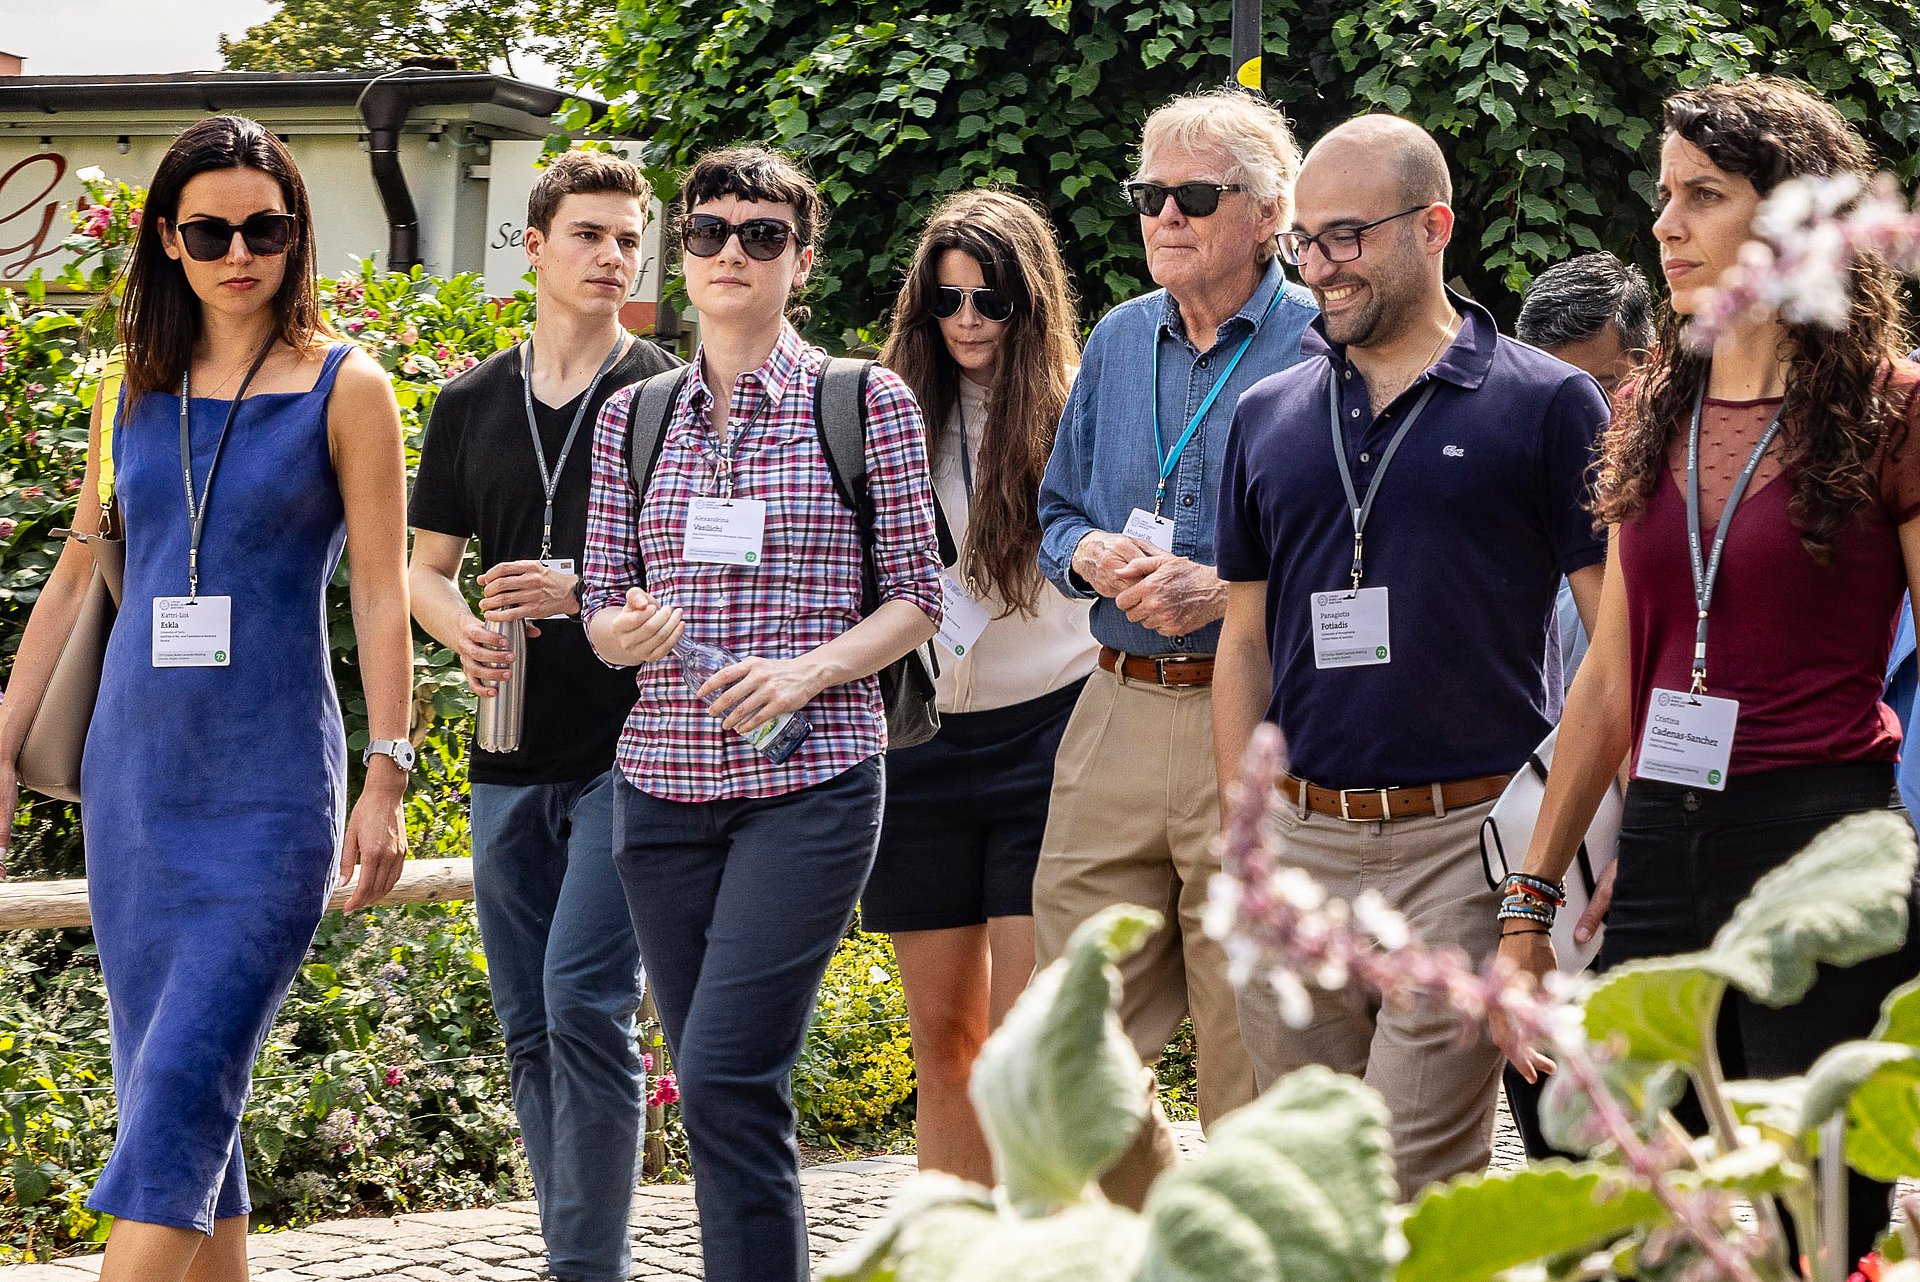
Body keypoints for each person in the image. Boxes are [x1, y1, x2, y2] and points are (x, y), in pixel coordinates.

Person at [1492, 78, 1920, 1262]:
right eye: (1664, 197)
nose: (1666, 226)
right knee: (1610, 1191)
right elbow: (1614, 672)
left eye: (1703, 197)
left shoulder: (1894, 412)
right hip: (1665, 837)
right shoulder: (1646, 405)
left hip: (1823, 848)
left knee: (1816, 1219)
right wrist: (1529, 900)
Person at [0, 115, 411, 1282]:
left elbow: (382, 599)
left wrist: (390, 770)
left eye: (266, 227)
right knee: (180, 1103)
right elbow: (80, 568)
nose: (242, 250)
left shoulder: (348, 386)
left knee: (184, 1087)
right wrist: (2, 742)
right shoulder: (130, 386)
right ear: (169, 243)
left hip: (272, 787)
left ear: (296, 235)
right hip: (139, 782)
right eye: (211, 229)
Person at [1213, 114, 1610, 1199]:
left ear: (1432, 226)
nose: (1320, 266)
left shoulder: (1546, 402)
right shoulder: (1265, 412)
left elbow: (1612, 640)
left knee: (1405, 1175)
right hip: (1301, 835)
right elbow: (1242, 640)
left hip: (1464, 849)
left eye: (1346, 236)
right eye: (1305, 240)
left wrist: (1569, 851)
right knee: (1306, 1180)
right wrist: (1244, 844)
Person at [578, 146, 940, 1282]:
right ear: (683, 252)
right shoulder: (632, 418)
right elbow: (596, 605)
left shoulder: (863, 400)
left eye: (762, 235)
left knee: (729, 1068)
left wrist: (805, 673)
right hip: (661, 788)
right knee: (721, 1086)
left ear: (803, 260)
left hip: (812, 783)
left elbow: (919, 600)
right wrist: (618, 632)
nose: (731, 251)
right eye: (708, 231)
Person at [1035, 87, 1319, 1204]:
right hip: (1111, 704)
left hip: (1256, 711)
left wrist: (1229, 588)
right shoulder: (1114, 337)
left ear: (1267, 212)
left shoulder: (1321, 341)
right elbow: (1057, 513)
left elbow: (1369, 542)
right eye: (1149, 194)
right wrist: (1090, 556)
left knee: (1252, 1038)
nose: (1164, 215)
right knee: (1069, 1035)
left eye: (1193, 195)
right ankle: (1158, 1234)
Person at [407, 151, 679, 1282]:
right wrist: (455, 629)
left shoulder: (666, 389)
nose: (613, 257)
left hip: (629, 744)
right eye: (590, 235)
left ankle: (586, 1268)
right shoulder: (471, 399)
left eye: (629, 238)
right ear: (535, 245)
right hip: (504, 747)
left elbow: (692, 581)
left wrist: (587, 591)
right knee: (528, 1019)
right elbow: (421, 568)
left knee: (584, 1000)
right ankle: (577, 1246)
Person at [868, 189, 1094, 1183]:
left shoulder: (1079, 407)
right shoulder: (880, 410)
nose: (966, 321)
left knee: (1022, 1051)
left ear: (1028, 304)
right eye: (946, 301)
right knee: (944, 1050)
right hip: (918, 746)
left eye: (989, 301)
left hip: (1049, 739)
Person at [1516, 251, 1656, 692]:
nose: (1580, 417)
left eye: (1605, 386)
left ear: (1650, 363)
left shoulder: (1690, 490)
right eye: (1556, 397)